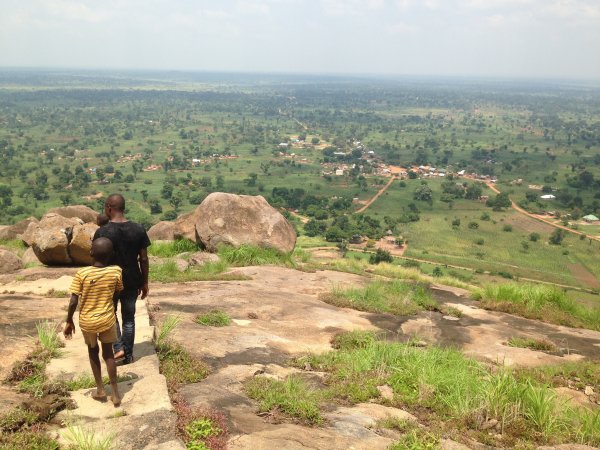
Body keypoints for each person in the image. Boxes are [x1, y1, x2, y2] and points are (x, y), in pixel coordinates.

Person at [63, 237, 123, 406]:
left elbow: (74, 301)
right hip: (107, 318)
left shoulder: (82, 274)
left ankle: (100, 389)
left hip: (87, 321)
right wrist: (110, 306)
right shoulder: (116, 271)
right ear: (110, 255)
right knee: (109, 354)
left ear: (90, 253)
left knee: (92, 351)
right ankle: (116, 393)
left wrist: (69, 320)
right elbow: (117, 292)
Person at [93, 194, 150, 364]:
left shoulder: (102, 231)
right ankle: (128, 353)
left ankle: (118, 348)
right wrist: (145, 281)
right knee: (129, 318)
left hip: (109, 280)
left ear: (109, 208)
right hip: (132, 279)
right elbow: (144, 259)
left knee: (111, 314)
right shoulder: (138, 229)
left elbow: (96, 259)